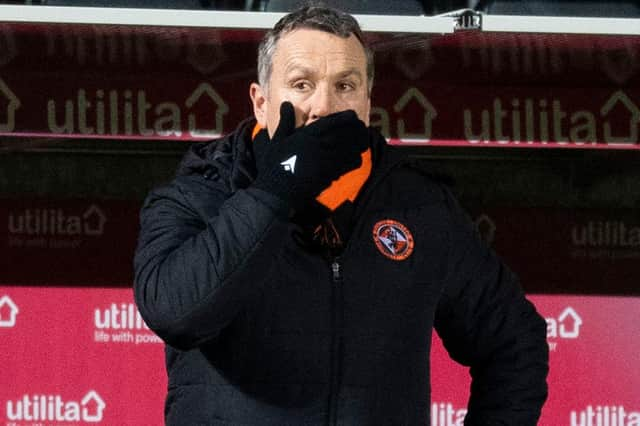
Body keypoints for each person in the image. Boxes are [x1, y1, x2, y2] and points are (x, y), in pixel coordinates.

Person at [133, 5, 549, 425]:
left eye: (345, 86)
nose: (323, 106)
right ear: (261, 102)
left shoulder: (419, 205)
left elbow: (515, 342)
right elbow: (177, 314)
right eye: (301, 84)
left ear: (368, 102)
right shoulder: (199, 194)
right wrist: (277, 189)